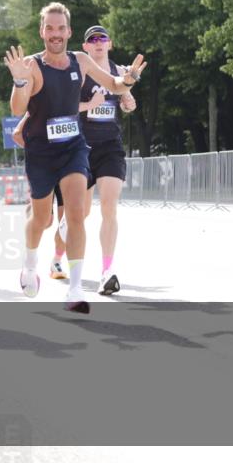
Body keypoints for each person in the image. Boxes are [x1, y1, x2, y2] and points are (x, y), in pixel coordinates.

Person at [4, 2, 146, 313]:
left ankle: (76, 288)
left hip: (73, 148)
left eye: (60, 28)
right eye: (49, 28)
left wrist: (130, 80)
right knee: (41, 219)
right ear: (42, 31)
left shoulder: (80, 61)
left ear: (69, 31)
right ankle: (30, 264)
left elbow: (113, 84)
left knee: (77, 212)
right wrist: (18, 81)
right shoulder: (30, 66)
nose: (55, 34)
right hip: (41, 152)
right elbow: (17, 109)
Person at [78, 26, 136, 295]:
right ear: (86, 46)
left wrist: (127, 97)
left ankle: (106, 271)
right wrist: (89, 104)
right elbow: (65, 106)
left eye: (103, 39)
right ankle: (58, 255)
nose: (98, 43)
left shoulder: (118, 71)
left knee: (109, 207)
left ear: (109, 44)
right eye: (93, 40)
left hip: (110, 147)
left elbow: (127, 102)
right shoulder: (79, 71)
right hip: (81, 147)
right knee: (81, 213)